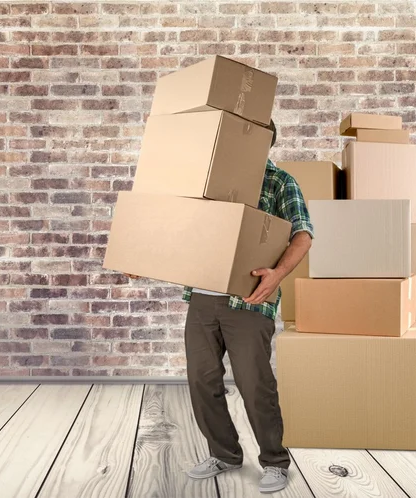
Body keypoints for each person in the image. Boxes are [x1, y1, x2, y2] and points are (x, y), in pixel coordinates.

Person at [126, 120, 314, 494]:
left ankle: (274, 461)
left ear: (265, 142)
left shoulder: (280, 182)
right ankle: (225, 454)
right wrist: (143, 256)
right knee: (201, 381)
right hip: (201, 299)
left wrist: (277, 275)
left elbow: (303, 234)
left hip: (247, 302)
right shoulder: (206, 182)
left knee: (255, 383)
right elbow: (180, 229)